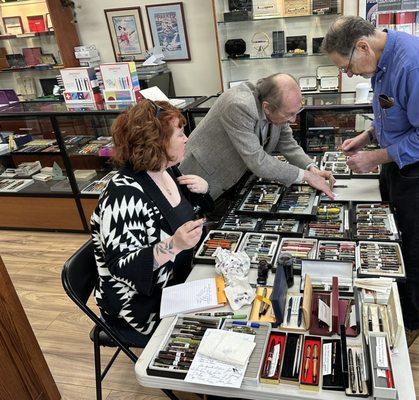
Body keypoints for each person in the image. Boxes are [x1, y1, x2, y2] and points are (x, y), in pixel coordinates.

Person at [322, 17, 419, 346]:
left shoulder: (413, 66)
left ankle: (411, 322)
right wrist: (368, 135)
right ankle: (390, 302)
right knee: (393, 239)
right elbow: (393, 110)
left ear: (362, 47)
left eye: (346, 66)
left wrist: (375, 157)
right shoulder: (383, 63)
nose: (349, 74)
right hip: (398, 162)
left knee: (414, 246)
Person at [91, 100, 214, 347]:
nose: (186, 139)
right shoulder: (123, 195)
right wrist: (174, 245)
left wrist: (202, 191)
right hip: (141, 308)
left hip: (181, 280)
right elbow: (122, 267)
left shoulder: (166, 170)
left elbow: (190, 217)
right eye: (180, 133)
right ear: (157, 142)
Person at [179, 73, 334, 215]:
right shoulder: (239, 105)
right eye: (289, 114)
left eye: (296, 112)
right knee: (192, 227)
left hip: (237, 178)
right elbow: (258, 162)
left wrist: (311, 168)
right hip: (204, 175)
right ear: (266, 107)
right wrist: (305, 176)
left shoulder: (277, 106)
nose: (293, 120)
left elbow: (287, 143)